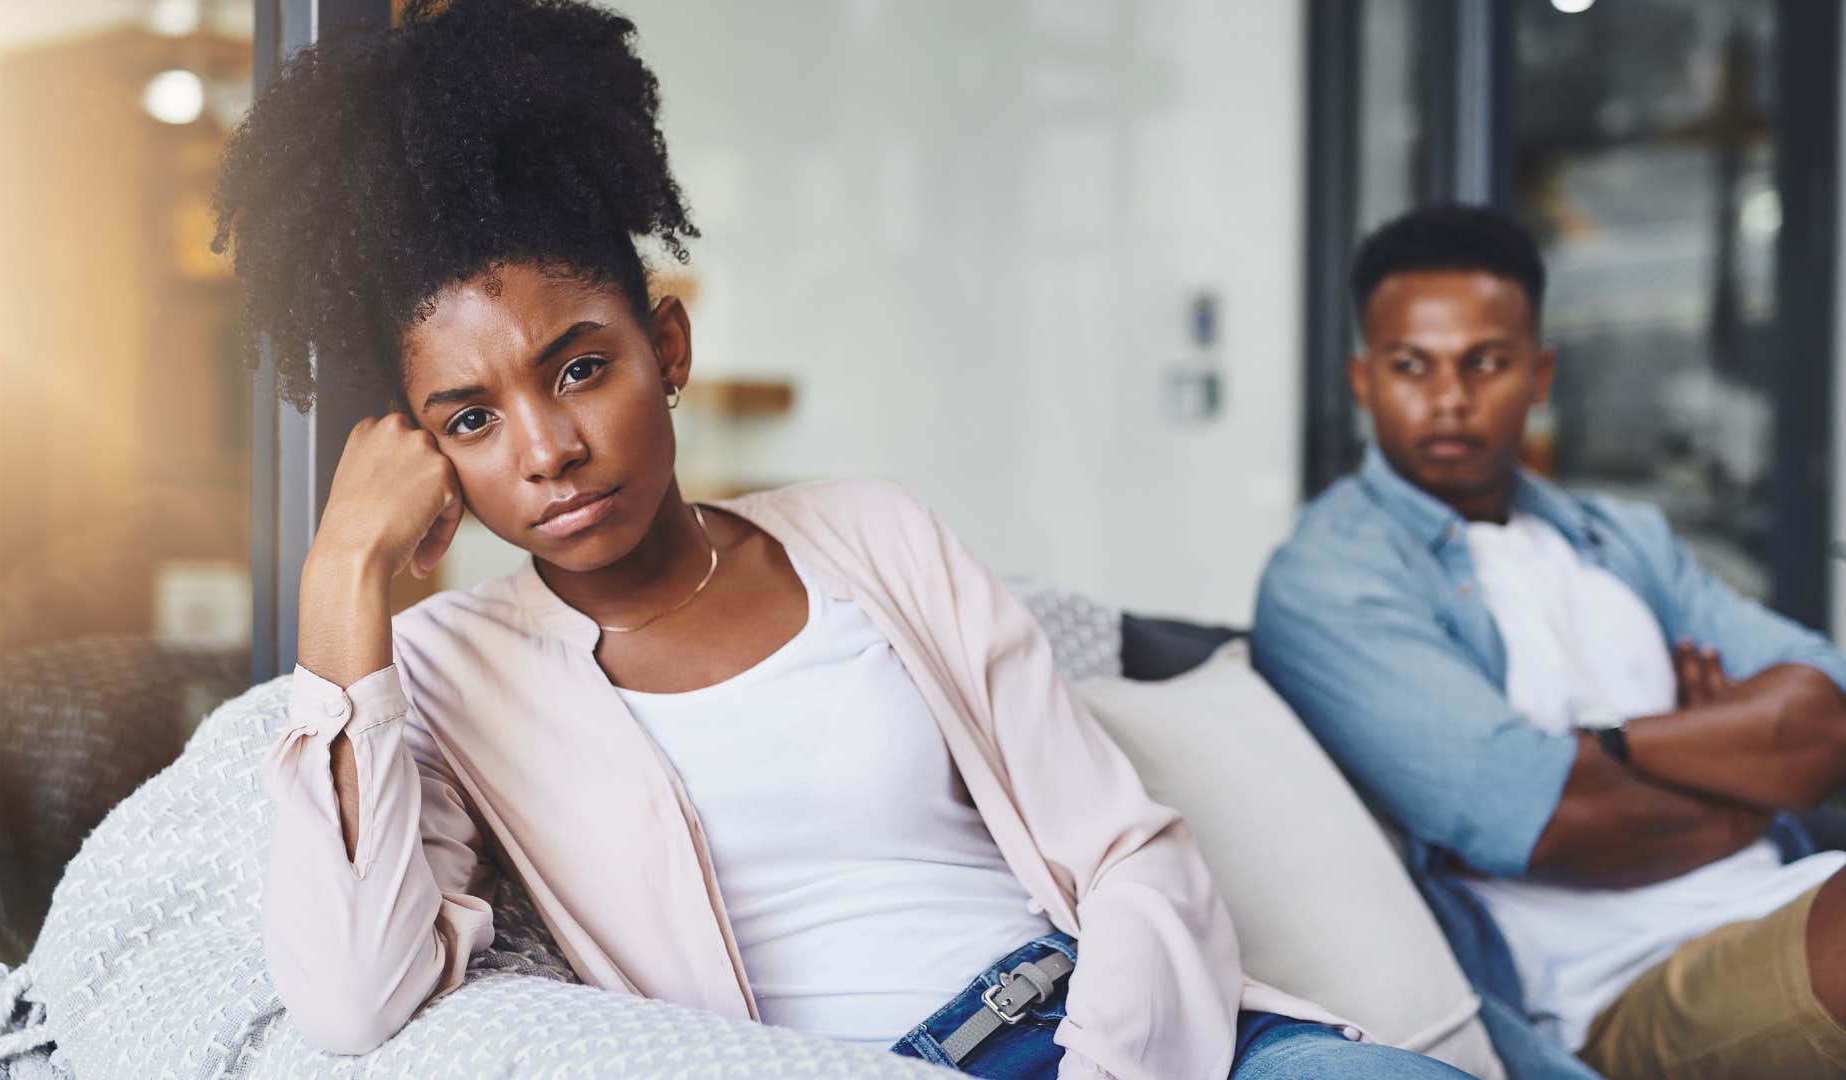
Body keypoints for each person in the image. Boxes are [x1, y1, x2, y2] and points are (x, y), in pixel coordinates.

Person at [213, 2, 1475, 1077]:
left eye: (581, 367)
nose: (546, 449)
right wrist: (342, 580)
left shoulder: (871, 533)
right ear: (429, 452)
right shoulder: (440, 672)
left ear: (671, 348)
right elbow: (350, 995)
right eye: (473, 418)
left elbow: (1127, 851)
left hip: (1144, 1035)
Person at [1252, 203, 1846, 1080]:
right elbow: (1540, 817)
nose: (1449, 397)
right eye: (1412, 365)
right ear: (1362, 381)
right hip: (1615, 988)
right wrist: (1741, 771)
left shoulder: (1621, 538)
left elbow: (1825, 716)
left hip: (1790, 892)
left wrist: (1603, 745)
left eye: (1484, 363)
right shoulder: (1330, 580)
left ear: (1539, 375)